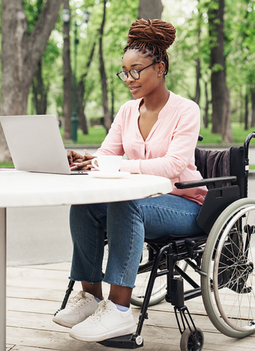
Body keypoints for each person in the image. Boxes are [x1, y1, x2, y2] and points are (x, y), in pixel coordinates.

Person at [53, 18, 207, 343]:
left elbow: (174, 165)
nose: (129, 79)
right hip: (144, 201)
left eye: (136, 70)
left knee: (127, 203)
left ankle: (119, 311)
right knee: (86, 205)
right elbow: (107, 152)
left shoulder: (185, 110)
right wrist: (87, 160)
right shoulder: (127, 112)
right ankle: (91, 296)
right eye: (125, 71)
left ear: (160, 67)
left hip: (184, 204)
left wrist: (122, 168)